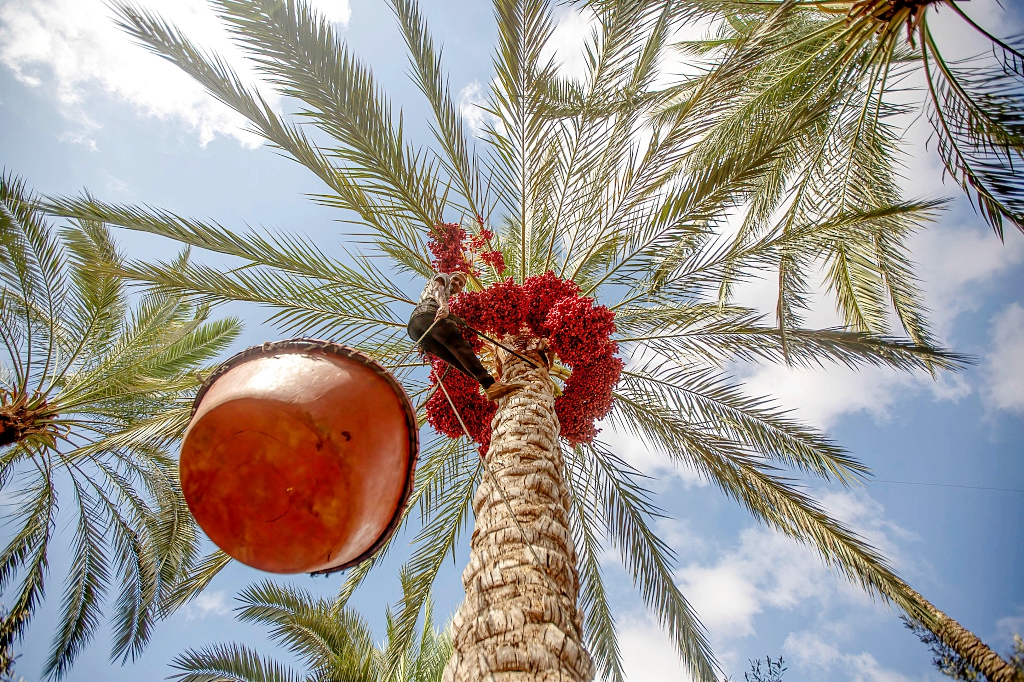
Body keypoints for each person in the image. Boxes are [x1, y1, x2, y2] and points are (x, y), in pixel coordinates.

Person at [407, 271, 523, 401]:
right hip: (427, 315)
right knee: (459, 345)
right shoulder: (443, 277)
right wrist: (444, 306)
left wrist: (456, 318)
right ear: (449, 277)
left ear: (460, 289)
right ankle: (489, 383)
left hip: (416, 330)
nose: (456, 283)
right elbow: (437, 288)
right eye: (455, 279)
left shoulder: (445, 296)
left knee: (456, 360)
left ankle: (489, 386)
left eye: (460, 284)